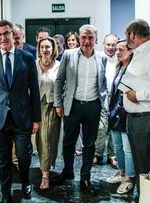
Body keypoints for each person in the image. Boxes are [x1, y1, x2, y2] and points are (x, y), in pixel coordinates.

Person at [0, 20, 41, 203]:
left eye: (6, 33)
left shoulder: (27, 58)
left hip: (22, 117)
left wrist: (36, 119)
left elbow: (35, 91)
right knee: (4, 160)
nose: (3, 38)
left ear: (13, 35)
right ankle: (5, 193)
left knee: (23, 157)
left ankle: (25, 182)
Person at [53, 24, 107, 196]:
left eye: (91, 37)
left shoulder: (102, 58)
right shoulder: (69, 55)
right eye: (83, 37)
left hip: (93, 106)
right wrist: (58, 103)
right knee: (68, 142)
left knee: (89, 144)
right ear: (79, 38)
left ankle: (85, 178)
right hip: (73, 105)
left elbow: (103, 83)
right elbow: (59, 80)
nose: (87, 41)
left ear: (96, 39)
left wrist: (102, 102)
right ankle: (68, 171)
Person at [123, 19, 150, 200]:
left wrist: (138, 95)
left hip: (145, 118)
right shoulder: (139, 54)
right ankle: (143, 197)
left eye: (127, 36)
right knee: (140, 165)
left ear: (132, 34)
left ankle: (149, 198)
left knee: (147, 166)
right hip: (134, 118)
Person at [105, 39, 135, 195]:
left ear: (131, 51)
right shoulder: (119, 67)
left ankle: (130, 178)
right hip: (115, 113)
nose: (118, 52)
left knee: (127, 148)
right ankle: (122, 173)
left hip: (126, 113)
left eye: (122, 49)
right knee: (117, 146)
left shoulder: (133, 69)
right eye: (117, 49)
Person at [35, 37, 61, 191]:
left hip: (52, 106)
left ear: (53, 49)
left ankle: (45, 174)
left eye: (48, 47)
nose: (45, 50)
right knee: (39, 140)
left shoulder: (59, 66)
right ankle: (45, 163)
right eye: (42, 47)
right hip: (36, 107)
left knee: (48, 138)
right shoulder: (34, 65)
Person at [93, 34, 118, 168]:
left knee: (114, 129)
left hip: (116, 99)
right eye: (108, 44)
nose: (110, 47)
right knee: (101, 128)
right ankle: (98, 154)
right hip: (101, 98)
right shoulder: (98, 57)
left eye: (113, 45)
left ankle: (112, 155)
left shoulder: (120, 58)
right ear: (103, 44)